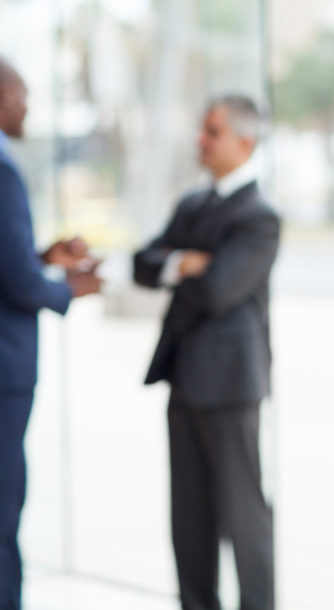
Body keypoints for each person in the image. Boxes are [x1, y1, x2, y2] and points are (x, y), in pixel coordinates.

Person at [133, 94, 279, 610]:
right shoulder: (192, 205)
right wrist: (183, 264)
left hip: (232, 385)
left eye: (212, 131)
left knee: (245, 516)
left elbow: (220, 290)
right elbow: (141, 263)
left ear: (245, 141)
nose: (201, 139)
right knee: (189, 517)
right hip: (184, 378)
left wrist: (187, 267)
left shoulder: (260, 216)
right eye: (203, 129)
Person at [0, 57, 100, 610]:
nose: (29, 106)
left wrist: (42, 258)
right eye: (21, 94)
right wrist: (70, 286)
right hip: (5, 373)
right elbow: (19, 285)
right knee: (3, 513)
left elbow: (10, 264)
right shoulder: (4, 168)